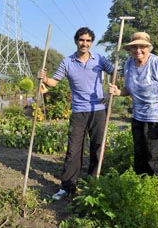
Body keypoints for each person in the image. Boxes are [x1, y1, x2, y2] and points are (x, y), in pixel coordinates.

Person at [38, 27, 114, 200]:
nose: (84, 44)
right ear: (76, 41)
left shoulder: (100, 59)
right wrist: (44, 78)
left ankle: (94, 183)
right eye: (81, 40)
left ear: (91, 43)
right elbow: (54, 82)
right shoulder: (67, 62)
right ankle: (68, 186)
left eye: (88, 41)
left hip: (98, 111)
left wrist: (112, 86)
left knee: (97, 148)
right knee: (73, 150)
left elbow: (114, 72)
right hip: (79, 111)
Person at [109, 31, 158, 183]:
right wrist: (118, 92)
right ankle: (141, 188)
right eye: (134, 47)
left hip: (157, 118)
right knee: (140, 156)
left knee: (156, 157)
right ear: (130, 49)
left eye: (142, 47)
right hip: (138, 117)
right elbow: (128, 89)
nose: (138, 50)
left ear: (148, 48)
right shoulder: (128, 65)